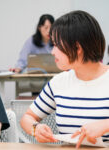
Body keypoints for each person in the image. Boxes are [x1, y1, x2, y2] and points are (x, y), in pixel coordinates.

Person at [20, 10, 109, 148]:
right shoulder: (58, 83)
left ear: (77, 47)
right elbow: (27, 118)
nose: (52, 51)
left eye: (56, 45)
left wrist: (105, 125)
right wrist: (35, 128)